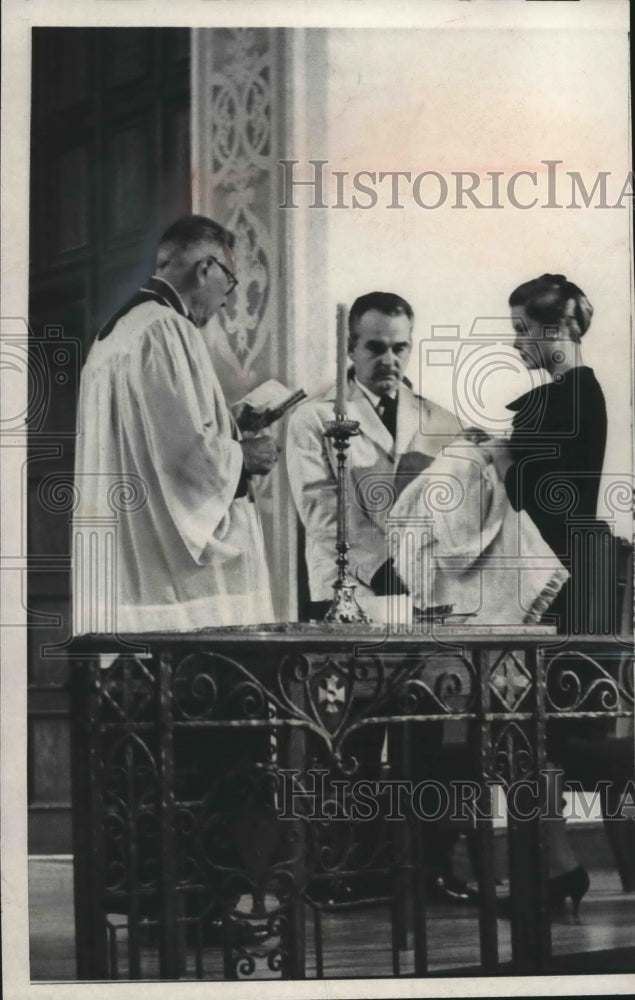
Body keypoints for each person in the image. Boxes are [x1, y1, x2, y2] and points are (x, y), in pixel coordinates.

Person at [286, 291, 477, 904]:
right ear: (350, 347)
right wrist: (385, 565)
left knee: (424, 731)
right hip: (350, 591)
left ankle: (427, 868)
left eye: (400, 348)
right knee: (350, 735)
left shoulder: (437, 418)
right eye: (375, 347)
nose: (389, 360)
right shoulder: (314, 418)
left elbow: (454, 510)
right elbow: (319, 509)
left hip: (421, 592)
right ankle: (344, 869)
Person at [72, 214, 278, 634]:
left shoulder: (118, 331)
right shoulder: (167, 329)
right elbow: (185, 459)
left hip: (125, 552)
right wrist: (244, 456)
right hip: (166, 568)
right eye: (230, 281)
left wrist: (230, 425)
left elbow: (155, 435)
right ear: (206, 268)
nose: (227, 301)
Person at [486, 272, 609, 915]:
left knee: (539, 728)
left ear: (553, 330)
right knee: (536, 728)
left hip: (563, 579)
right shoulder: (570, 395)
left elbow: (535, 495)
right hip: (567, 571)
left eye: (521, 331)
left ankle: (555, 867)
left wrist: (501, 459)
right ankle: (554, 866)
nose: (516, 344)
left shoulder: (571, 396)